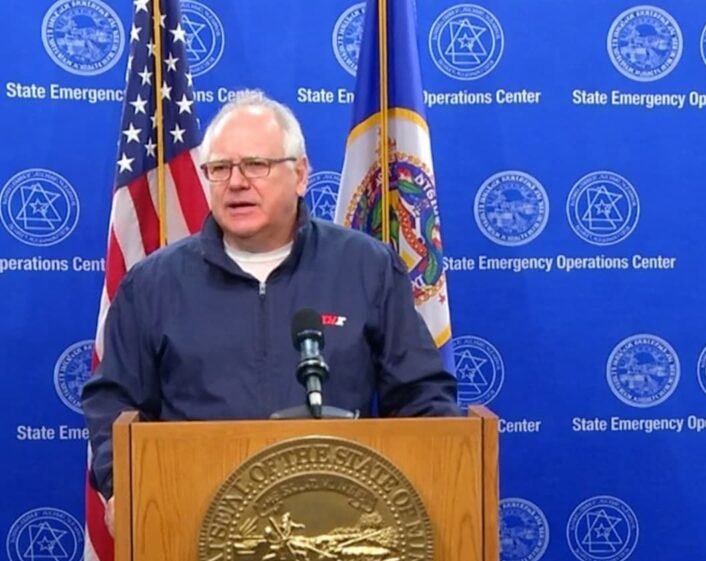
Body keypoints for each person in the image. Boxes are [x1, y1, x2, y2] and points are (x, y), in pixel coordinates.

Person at [82, 91, 460, 533]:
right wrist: (119, 484)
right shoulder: (152, 283)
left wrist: (443, 474)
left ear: (300, 175)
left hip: (336, 528)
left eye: (255, 165)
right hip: (192, 528)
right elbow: (115, 401)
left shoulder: (365, 268)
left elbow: (421, 394)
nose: (236, 182)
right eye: (220, 169)